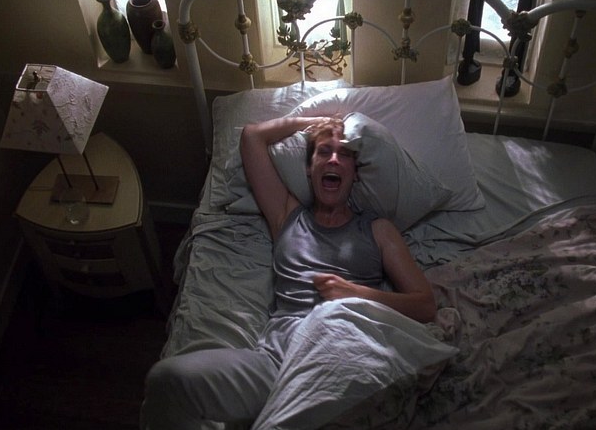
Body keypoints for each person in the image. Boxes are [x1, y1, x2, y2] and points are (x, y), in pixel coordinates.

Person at [141, 115, 436, 429]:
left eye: (344, 154)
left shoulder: (377, 230)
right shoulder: (288, 215)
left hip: (343, 355)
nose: (333, 159)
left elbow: (425, 304)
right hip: (276, 360)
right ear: (309, 168)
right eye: (324, 151)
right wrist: (316, 121)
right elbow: (252, 137)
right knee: (168, 380)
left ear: (355, 174)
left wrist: (355, 294)